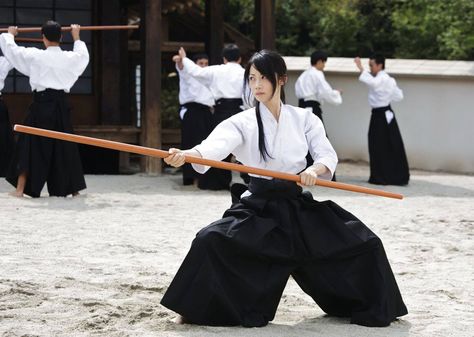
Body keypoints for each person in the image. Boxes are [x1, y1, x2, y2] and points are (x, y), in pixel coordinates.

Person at [161, 50, 407, 328]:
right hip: (259, 206)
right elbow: (211, 149)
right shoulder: (241, 122)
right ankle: (195, 309)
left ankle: (371, 303)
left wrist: (313, 170)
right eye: (252, 78)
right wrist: (187, 154)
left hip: (296, 203)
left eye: (263, 78)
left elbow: (327, 156)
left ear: (281, 80)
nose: (257, 85)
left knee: (366, 243)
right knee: (209, 239)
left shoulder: (304, 118)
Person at [0, 21, 89, 197]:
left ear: (43, 38)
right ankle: (74, 191)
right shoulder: (69, 58)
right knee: (65, 144)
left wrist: (10, 34)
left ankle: (20, 190)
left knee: (29, 144)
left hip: (42, 104)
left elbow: (13, 51)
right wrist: (77, 36)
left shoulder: (36, 56)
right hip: (61, 105)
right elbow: (82, 56)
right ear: (61, 37)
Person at [174, 44, 245, 190]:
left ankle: (217, 182)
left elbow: (196, 72)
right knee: (245, 146)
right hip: (240, 111)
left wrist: (185, 59)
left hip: (220, 112)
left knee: (218, 146)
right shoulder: (246, 73)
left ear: (224, 58)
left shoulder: (217, 70)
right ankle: (251, 180)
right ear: (239, 59)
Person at [354, 54, 409, 185]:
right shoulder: (389, 79)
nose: (370, 68)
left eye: (371, 65)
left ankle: (383, 177)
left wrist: (360, 68)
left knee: (380, 145)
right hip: (384, 114)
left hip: (382, 115)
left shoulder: (383, 78)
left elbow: (373, 84)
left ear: (380, 65)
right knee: (386, 145)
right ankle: (389, 175)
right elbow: (398, 96)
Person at [295, 50, 342, 179]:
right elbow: (325, 92)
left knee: (302, 139)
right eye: (324, 63)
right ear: (320, 61)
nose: (324, 66)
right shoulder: (317, 74)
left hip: (302, 108)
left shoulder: (303, 75)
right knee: (319, 138)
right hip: (312, 108)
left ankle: (303, 169)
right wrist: (336, 94)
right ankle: (322, 172)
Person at [173, 53, 214, 186]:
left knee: (206, 144)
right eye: (201, 63)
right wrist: (180, 60)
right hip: (191, 111)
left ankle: (204, 178)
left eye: (206, 63)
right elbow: (180, 66)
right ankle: (190, 178)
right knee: (190, 143)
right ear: (194, 64)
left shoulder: (209, 76)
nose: (203, 66)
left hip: (206, 111)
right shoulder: (188, 73)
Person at [0, 56, 14, 177]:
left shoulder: (2, 61)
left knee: (3, 135)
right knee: (3, 136)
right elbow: (15, 57)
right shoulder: (3, 61)